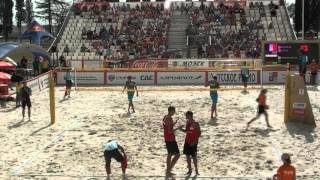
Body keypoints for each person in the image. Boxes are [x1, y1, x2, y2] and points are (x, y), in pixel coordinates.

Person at [179, 111, 201, 175]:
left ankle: (196, 170)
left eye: (187, 115)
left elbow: (199, 133)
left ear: (190, 116)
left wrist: (195, 142)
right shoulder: (188, 122)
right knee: (187, 156)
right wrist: (180, 129)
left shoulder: (196, 123)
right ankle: (190, 170)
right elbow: (186, 131)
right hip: (187, 141)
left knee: (194, 157)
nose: (186, 116)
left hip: (193, 142)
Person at [163, 106, 182, 176]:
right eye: (174, 111)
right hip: (170, 138)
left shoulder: (166, 117)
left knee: (172, 154)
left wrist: (174, 123)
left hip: (169, 138)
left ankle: (169, 170)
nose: (174, 112)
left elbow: (168, 126)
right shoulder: (168, 119)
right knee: (174, 154)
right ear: (171, 111)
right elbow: (170, 131)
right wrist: (178, 128)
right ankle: (168, 170)